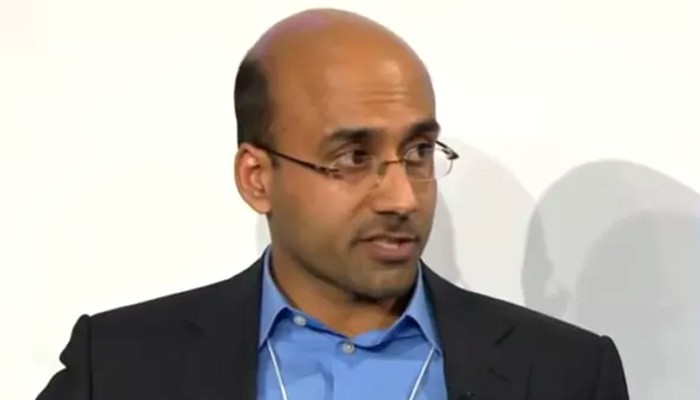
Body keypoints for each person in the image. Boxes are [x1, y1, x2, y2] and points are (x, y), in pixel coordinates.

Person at [36, 8, 629, 400]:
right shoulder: (119, 368)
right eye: (352, 158)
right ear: (257, 178)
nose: (402, 197)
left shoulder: (567, 375)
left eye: (419, 152)